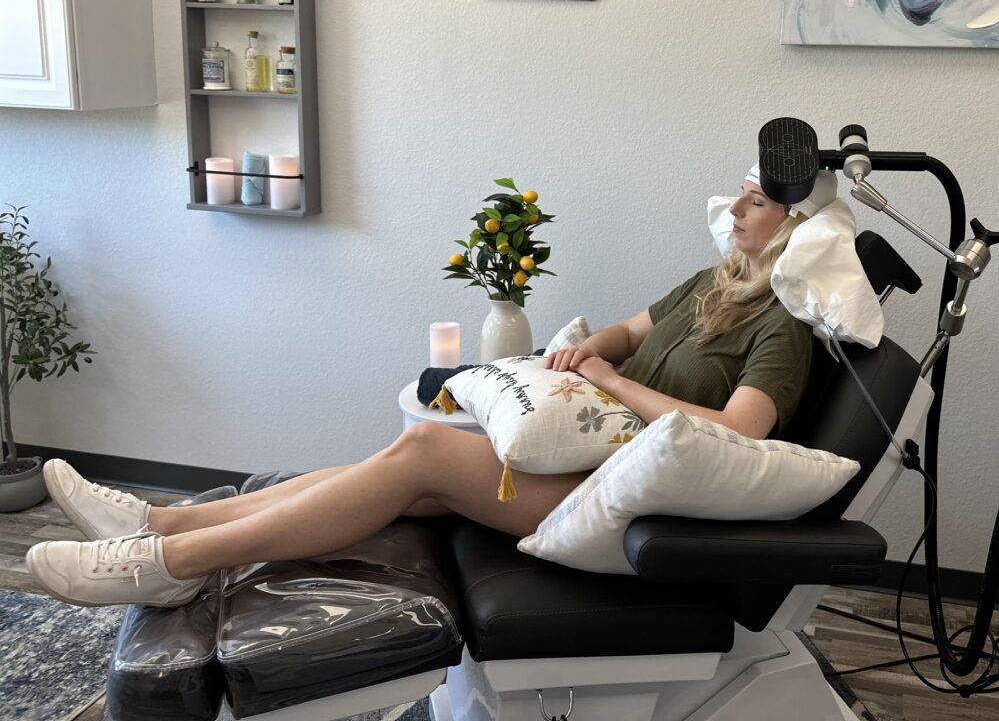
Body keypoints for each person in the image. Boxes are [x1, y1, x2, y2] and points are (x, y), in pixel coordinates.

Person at [24, 164, 828, 610]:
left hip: (623, 503)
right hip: (584, 462)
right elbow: (625, 329)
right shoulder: (714, 280)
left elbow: (740, 432)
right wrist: (590, 350)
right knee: (396, 474)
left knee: (420, 452)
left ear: (795, 227)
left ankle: (169, 563)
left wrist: (613, 381)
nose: (734, 207)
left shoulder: (785, 324)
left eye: (757, 202)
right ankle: (158, 519)